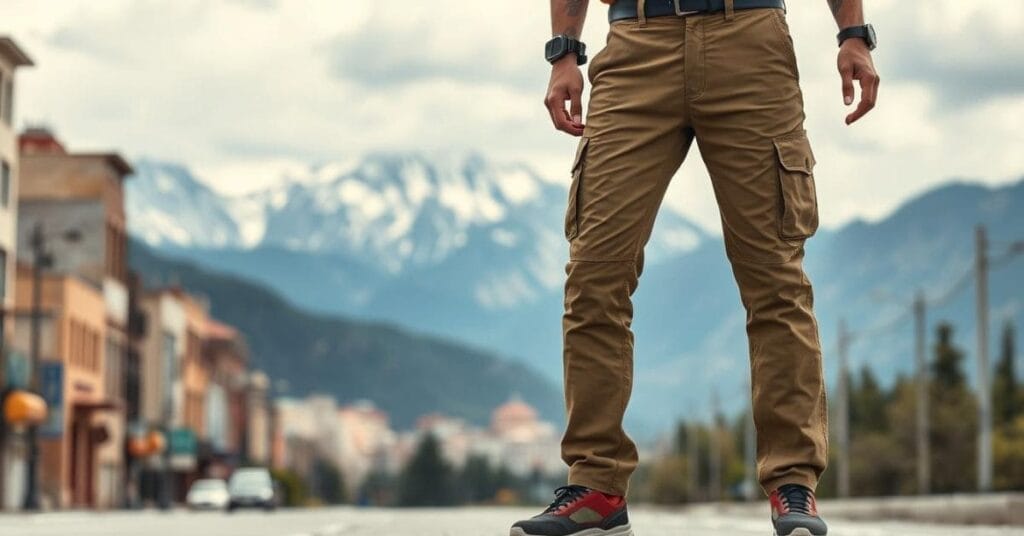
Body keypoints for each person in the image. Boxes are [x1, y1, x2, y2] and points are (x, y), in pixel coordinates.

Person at [510, 1, 878, 535]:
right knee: (593, 276)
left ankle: (793, 485)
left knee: (776, 282)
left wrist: (853, 33)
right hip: (635, 46)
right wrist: (563, 51)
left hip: (749, 40)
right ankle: (596, 487)